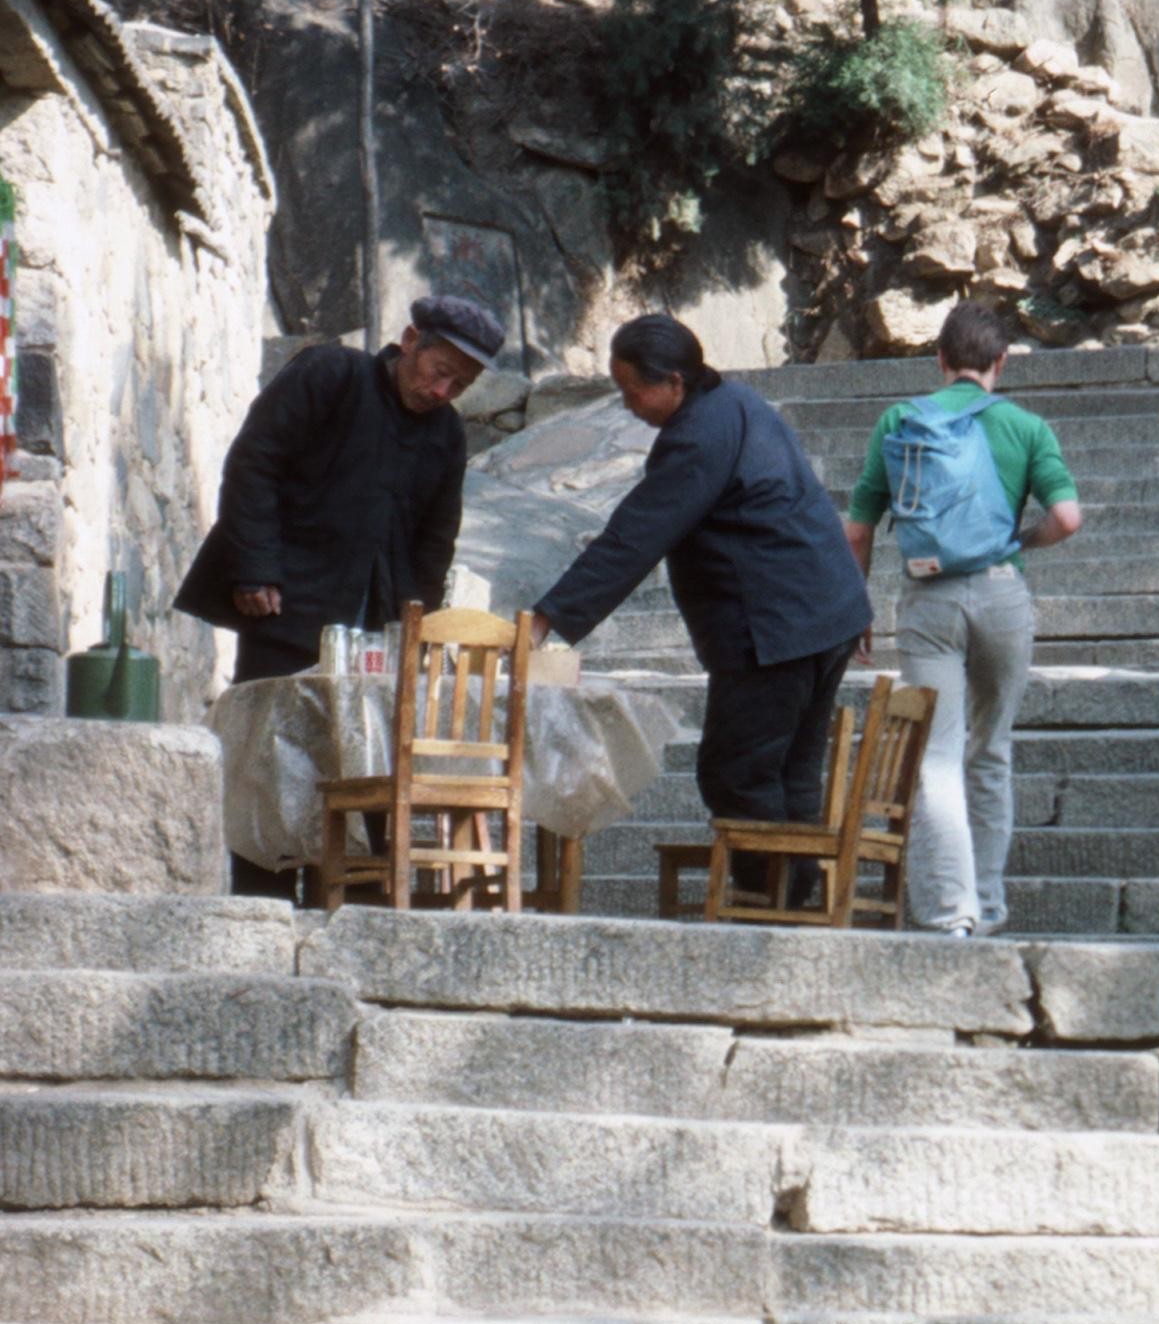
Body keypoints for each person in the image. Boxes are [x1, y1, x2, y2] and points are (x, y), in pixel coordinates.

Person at [531, 317, 872, 881]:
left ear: (673, 382)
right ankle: (798, 906)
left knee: (736, 773)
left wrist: (548, 618)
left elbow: (635, 536)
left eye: (632, 391)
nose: (627, 405)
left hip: (777, 625)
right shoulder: (739, 403)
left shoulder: (697, 435)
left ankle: (774, 907)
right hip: (828, 613)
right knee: (790, 771)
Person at [843, 299, 1082, 936]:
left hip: (929, 600)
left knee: (936, 755)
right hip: (1004, 596)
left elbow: (857, 529)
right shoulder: (1028, 428)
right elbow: (1066, 519)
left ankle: (952, 912)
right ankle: (993, 903)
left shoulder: (900, 419)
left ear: (940, 360)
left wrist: (857, 604)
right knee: (991, 750)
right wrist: (1018, 545)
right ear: (1001, 363)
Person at [178, 292, 507, 687]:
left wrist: (421, 626)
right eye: (439, 371)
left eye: (459, 385)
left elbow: (436, 540)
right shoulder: (331, 373)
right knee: (272, 733)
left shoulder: (448, 433)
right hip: (286, 607)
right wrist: (253, 568)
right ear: (409, 341)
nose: (442, 392)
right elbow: (255, 464)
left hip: (378, 626)